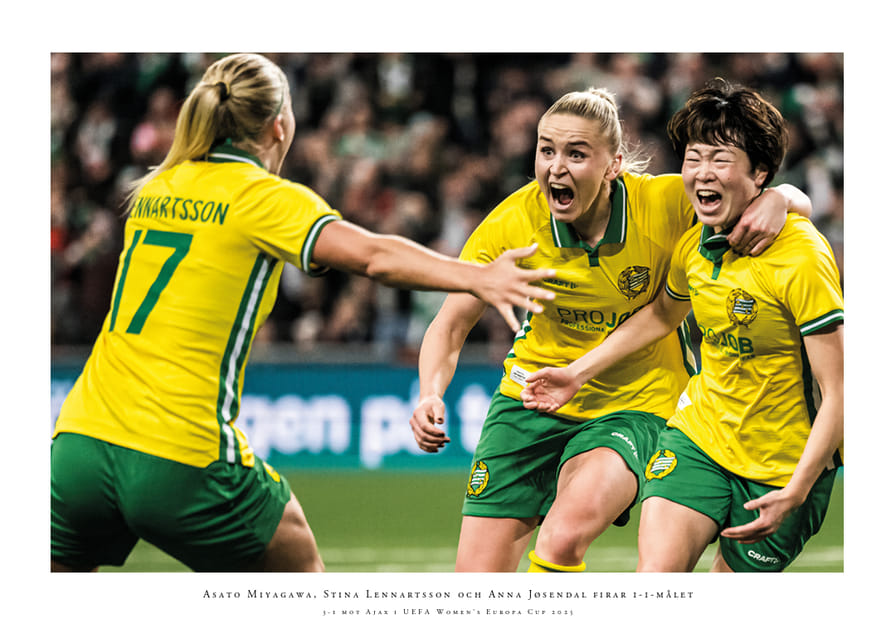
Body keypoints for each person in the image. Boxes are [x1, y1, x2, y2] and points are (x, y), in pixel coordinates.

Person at [50, 53, 559, 573]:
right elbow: (372, 256)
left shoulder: (157, 187)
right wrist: (476, 275)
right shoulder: (262, 198)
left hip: (78, 442)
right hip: (179, 451)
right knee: (301, 573)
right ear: (279, 124)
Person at [409, 86, 812, 572]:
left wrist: (781, 197)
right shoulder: (513, 223)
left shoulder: (665, 202)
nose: (556, 168)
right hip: (530, 399)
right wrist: (429, 393)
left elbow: (760, 195)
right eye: (546, 150)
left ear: (613, 165)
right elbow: (450, 325)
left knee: (562, 537)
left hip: (636, 403)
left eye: (576, 154)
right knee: (476, 582)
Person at [521, 78, 843, 572]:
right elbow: (660, 315)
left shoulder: (801, 256)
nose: (702, 173)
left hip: (784, 467)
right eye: (694, 158)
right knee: (656, 582)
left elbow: (840, 389)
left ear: (759, 173)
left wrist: (798, 488)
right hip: (699, 440)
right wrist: (576, 373)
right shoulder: (693, 246)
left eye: (720, 160)